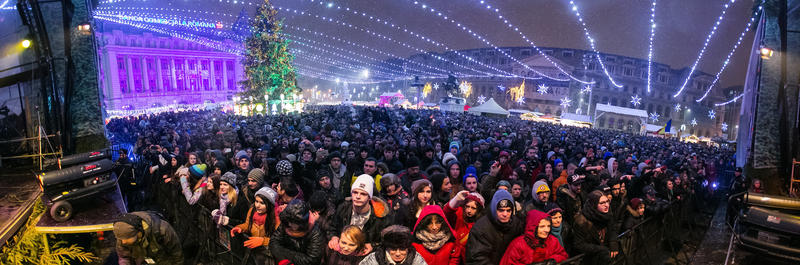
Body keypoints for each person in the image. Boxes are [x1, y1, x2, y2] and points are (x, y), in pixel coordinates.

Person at [328, 174, 392, 254]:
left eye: (363, 194)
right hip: (343, 253)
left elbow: (387, 240)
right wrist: (334, 237)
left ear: (369, 197)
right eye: (355, 192)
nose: (358, 196)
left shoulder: (380, 216)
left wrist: (373, 246)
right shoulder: (343, 208)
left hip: (365, 255)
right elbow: (332, 227)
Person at [464, 190, 525, 265]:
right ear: (494, 209)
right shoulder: (480, 228)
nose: (505, 214)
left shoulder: (516, 225)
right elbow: (476, 259)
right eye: (501, 210)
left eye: (508, 210)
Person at [500, 209, 569, 265]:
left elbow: (563, 255)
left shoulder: (552, 240)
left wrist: (552, 260)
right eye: (542, 226)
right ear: (533, 227)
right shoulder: (518, 244)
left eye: (548, 226)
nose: (547, 230)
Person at [231, 187, 279, 265]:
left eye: (262, 203)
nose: (257, 205)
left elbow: (278, 241)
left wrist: (263, 241)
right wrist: (240, 228)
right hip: (253, 251)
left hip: (268, 254)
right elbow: (247, 225)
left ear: (269, 204)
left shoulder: (276, 218)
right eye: (256, 201)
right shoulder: (252, 210)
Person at [113, 212, 183, 265]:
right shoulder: (122, 237)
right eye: (121, 239)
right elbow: (124, 257)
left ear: (138, 232)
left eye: (127, 238)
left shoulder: (162, 230)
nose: (123, 242)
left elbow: (176, 253)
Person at [270, 200, 325, 265]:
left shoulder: (315, 233)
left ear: (302, 223)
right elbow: (273, 242)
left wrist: (284, 253)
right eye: (289, 221)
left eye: (294, 222)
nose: (290, 224)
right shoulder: (286, 223)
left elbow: (312, 260)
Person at [573, 190, 619, 264]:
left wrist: (613, 242)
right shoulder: (582, 221)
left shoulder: (607, 214)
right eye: (602, 203)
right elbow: (579, 244)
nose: (607, 205)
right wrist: (600, 249)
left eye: (607, 201)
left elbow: (613, 229)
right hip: (590, 260)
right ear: (593, 204)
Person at [358, 225, 428, 265]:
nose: (398, 253)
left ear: (408, 248)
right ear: (386, 248)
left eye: (402, 249)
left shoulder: (417, 260)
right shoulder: (372, 261)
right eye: (393, 249)